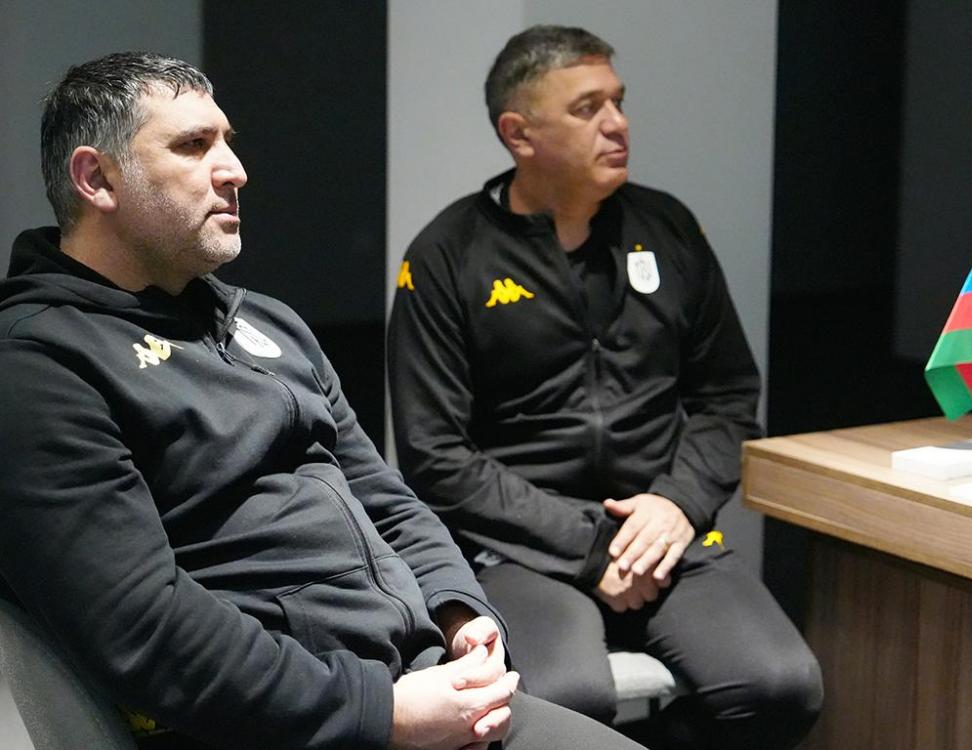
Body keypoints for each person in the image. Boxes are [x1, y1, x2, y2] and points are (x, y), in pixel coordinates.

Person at [0, 51, 647, 750]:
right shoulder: (38, 362)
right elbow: (143, 626)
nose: (234, 170)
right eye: (193, 145)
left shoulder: (265, 322)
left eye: (227, 142)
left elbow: (385, 500)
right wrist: (381, 713)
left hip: (413, 680)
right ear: (97, 179)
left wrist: (461, 613)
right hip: (285, 725)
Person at [388, 25, 823, 750]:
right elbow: (435, 455)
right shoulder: (446, 255)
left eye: (617, 102)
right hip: (519, 546)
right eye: (588, 108)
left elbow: (727, 396)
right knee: (565, 699)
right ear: (519, 134)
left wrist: (678, 503)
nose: (618, 124)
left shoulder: (668, 227)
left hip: (663, 532)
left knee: (782, 686)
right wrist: (594, 548)